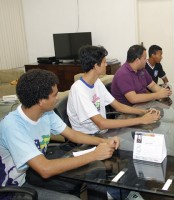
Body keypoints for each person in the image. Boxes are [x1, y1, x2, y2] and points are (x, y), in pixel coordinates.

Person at [0, 69, 120, 199]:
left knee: (95, 169)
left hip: (29, 174)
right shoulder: (12, 126)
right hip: (11, 189)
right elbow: (45, 169)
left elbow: (72, 135)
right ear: (41, 101)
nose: (57, 98)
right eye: (54, 95)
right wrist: (94, 154)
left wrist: (104, 141)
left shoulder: (46, 113)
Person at [67, 45, 161, 135]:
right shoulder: (79, 90)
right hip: (89, 137)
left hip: (102, 131)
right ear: (96, 66)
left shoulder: (97, 82)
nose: (106, 64)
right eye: (104, 62)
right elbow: (101, 123)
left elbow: (118, 106)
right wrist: (141, 120)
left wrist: (144, 112)